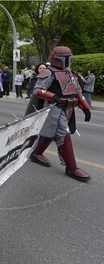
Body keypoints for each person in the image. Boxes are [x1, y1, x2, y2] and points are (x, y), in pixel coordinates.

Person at [25, 46, 91, 182]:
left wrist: (85, 107)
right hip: (55, 107)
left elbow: (77, 91)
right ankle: (71, 167)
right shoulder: (48, 72)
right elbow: (38, 90)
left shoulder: (69, 72)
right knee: (63, 133)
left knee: (51, 132)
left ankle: (36, 153)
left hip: (69, 109)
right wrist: (53, 96)